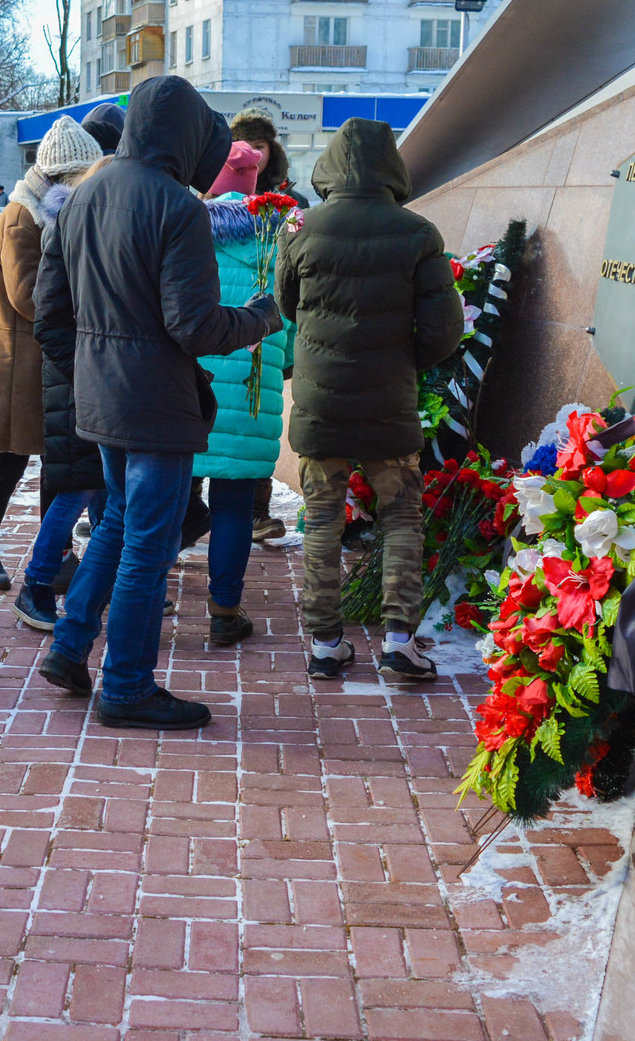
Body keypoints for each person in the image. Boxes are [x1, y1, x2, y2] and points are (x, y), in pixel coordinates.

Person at [32, 75, 280, 730]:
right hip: (155, 406)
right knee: (147, 542)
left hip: (103, 399)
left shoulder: (83, 196)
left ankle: (69, 646)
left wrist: (95, 372)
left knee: (119, 522)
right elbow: (194, 326)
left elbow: (49, 315)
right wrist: (259, 317)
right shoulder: (177, 206)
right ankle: (127, 685)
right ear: (187, 136)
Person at [279, 118, 463, 682]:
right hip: (389, 401)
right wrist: (403, 362)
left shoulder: (300, 225)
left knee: (322, 517)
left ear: (331, 165)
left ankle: (325, 644)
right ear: (391, 168)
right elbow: (445, 329)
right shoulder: (417, 232)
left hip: (320, 403)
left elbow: (287, 304)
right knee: (402, 515)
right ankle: (400, 641)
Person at [0, 115, 101, 593]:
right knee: (10, 459)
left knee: (54, 459)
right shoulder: (21, 216)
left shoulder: (52, 211)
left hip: (45, 359)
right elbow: (27, 295)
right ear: (63, 174)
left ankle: (59, 552)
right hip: (16, 365)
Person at [187, 192, 293, 647]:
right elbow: (289, 332)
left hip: (193, 395)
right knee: (234, 508)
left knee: (171, 498)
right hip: (253, 401)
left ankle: (145, 593)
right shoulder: (275, 252)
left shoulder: (191, 244)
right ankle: (225, 612)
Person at [232, 107, 309, 543]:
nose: (254, 155)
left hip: (268, 328)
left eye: (260, 146)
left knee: (257, 418)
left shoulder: (291, 204)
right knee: (223, 417)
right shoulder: (210, 203)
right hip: (228, 326)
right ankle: (199, 508)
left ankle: (256, 513)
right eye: (245, 146)